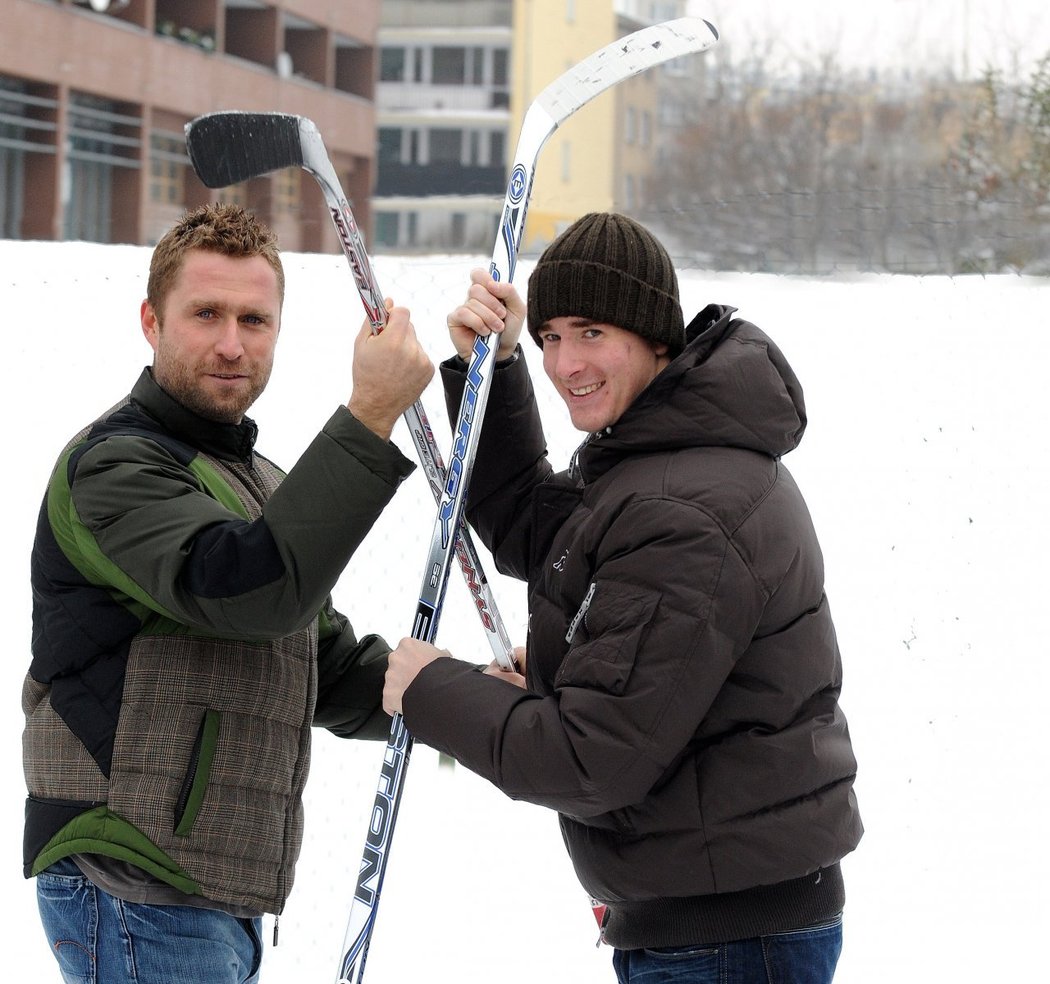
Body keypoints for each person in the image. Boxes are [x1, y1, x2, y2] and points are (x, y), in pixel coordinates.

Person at [383, 212, 863, 983]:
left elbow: (590, 759)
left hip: (726, 941)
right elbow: (545, 539)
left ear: (654, 336)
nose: (566, 362)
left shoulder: (683, 507)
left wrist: (430, 690)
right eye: (547, 339)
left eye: (591, 331)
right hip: (717, 919)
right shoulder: (662, 458)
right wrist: (495, 368)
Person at [23, 202, 434, 984]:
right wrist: (371, 413)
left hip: (209, 892)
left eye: (255, 319)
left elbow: (328, 666)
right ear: (152, 320)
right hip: (133, 878)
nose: (231, 343)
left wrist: (471, 697)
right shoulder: (112, 468)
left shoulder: (255, 482)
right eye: (205, 313)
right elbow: (248, 591)